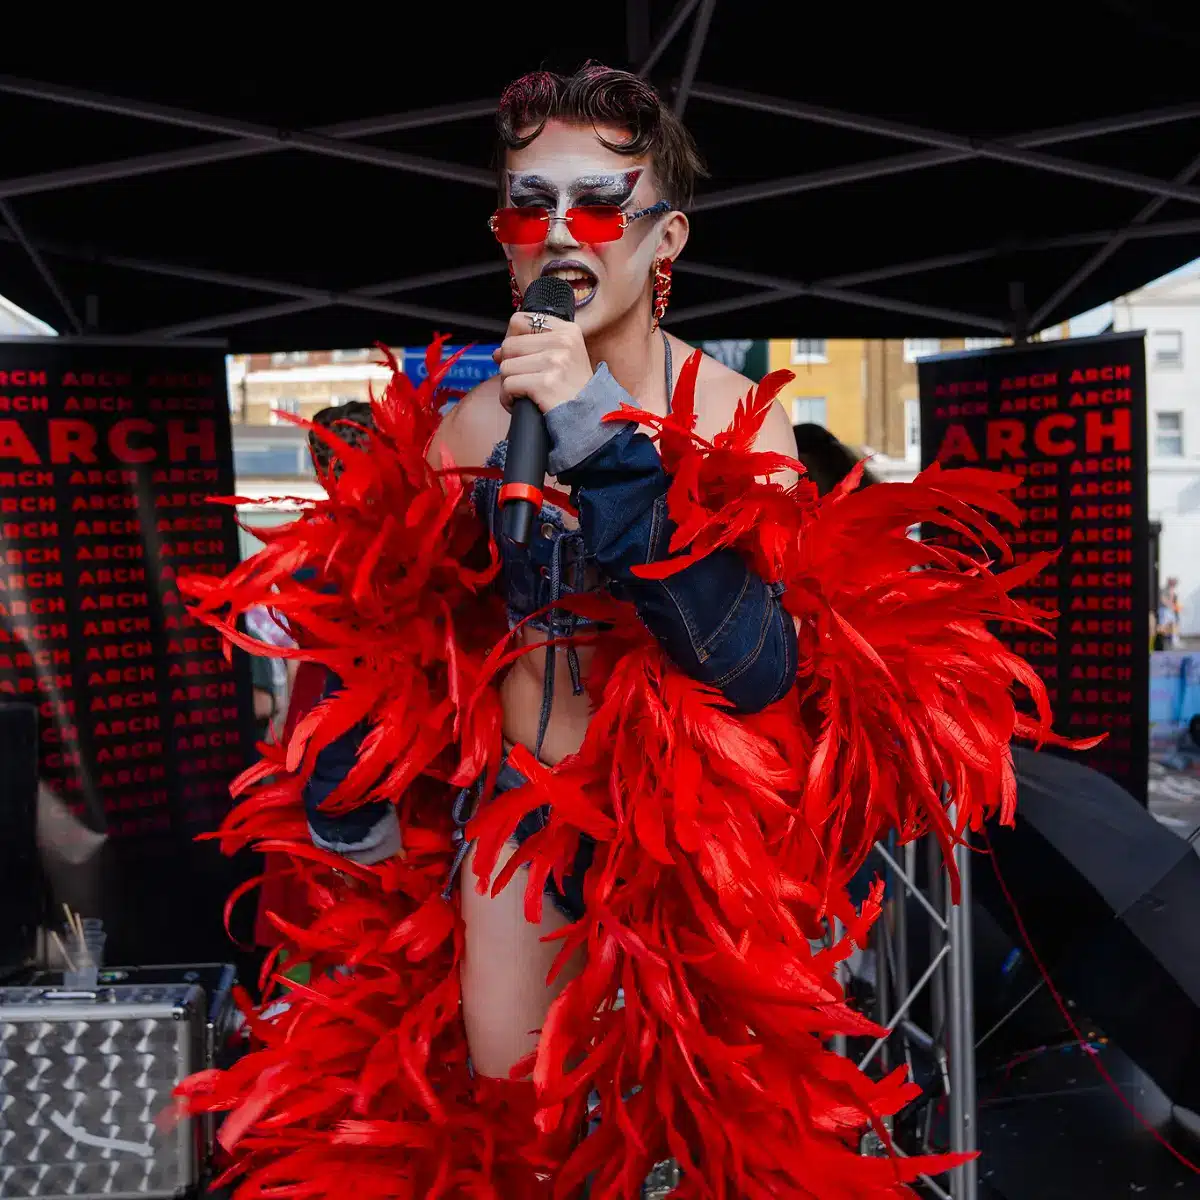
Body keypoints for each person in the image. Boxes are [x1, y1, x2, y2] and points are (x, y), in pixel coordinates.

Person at [178, 65, 1069, 1199]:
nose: (559, 234)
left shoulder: (736, 420)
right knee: (517, 1136)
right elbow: (412, 639)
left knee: (703, 1149)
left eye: (598, 203)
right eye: (527, 204)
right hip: (516, 821)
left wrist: (600, 440)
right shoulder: (474, 422)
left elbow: (758, 669)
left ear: (665, 242)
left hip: (696, 843)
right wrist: (351, 765)